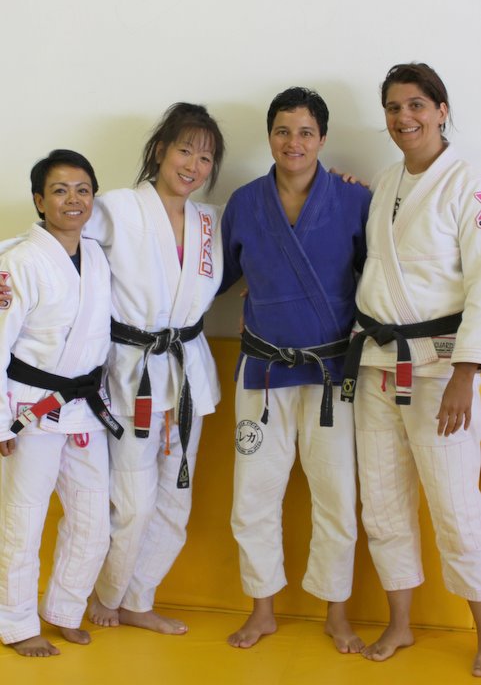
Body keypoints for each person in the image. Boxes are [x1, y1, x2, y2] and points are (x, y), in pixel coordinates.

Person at [341, 63, 481, 677]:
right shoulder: (385, 180)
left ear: (442, 110)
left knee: (455, 508)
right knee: (382, 502)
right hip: (377, 360)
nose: (405, 117)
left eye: (417, 105)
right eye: (394, 107)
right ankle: (399, 623)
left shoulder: (468, 182)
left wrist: (465, 373)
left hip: (439, 369)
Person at [219, 87, 371, 650]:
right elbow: (217, 280)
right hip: (262, 373)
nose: (294, 142)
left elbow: (377, 278)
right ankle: (261, 609)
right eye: (283, 131)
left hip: (333, 374)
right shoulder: (244, 203)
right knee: (253, 496)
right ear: (269, 137)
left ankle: (336, 612)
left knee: (336, 496)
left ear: (323, 139)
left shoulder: (354, 200)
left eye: (306, 132)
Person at [84, 102, 225, 634]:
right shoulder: (116, 208)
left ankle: (139, 599)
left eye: (205, 157)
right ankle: (107, 593)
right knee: (133, 500)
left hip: (188, 371)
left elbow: (265, 242)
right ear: (161, 150)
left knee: (175, 498)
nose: (193, 165)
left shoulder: (210, 221)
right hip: (132, 373)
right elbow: (60, 241)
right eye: (185, 150)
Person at [0, 150, 122, 656]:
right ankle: (16, 623)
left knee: (93, 519)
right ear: (39, 200)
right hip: (30, 408)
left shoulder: (96, 254)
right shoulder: (18, 262)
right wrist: (0, 424)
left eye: (83, 190)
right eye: (59, 190)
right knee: (23, 519)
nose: (73, 199)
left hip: (85, 406)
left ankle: (65, 609)